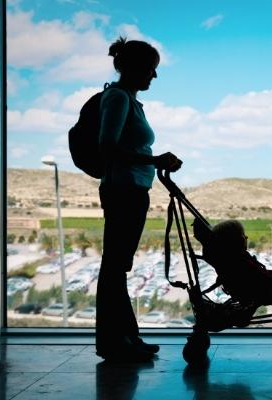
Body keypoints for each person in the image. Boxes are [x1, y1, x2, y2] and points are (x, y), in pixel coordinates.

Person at [96, 37, 183, 362]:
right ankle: (116, 341)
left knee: (118, 267)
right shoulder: (118, 98)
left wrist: (152, 162)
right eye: (150, 69)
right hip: (123, 191)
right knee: (115, 267)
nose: (154, 76)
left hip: (130, 189)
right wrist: (154, 160)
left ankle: (125, 337)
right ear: (133, 68)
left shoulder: (127, 99)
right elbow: (108, 145)